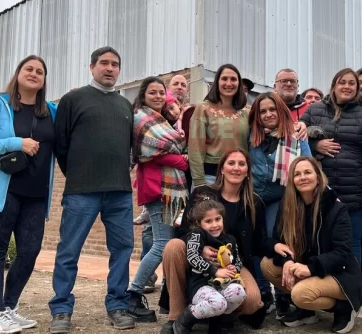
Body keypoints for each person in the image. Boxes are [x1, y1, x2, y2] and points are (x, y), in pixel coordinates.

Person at [49, 47, 140, 333]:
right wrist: (77, 174)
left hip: (120, 192)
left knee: (122, 250)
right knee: (69, 251)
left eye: (115, 64)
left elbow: (128, 147)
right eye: (104, 63)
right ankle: (61, 309)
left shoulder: (126, 106)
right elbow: (60, 145)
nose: (110, 68)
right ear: (91, 67)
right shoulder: (72, 99)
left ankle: (117, 305)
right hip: (81, 191)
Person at [0, 55, 58, 333]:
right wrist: (16, 142)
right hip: (1, 191)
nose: (34, 74)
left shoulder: (51, 111)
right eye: (28, 69)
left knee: (30, 252)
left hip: (35, 194)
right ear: (18, 73)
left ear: (44, 80)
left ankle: (8, 307)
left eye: (40, 71)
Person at [160, 149, 266, 333]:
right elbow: (184, 230)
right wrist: (201, 248)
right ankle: (178, 317)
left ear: (247, 171)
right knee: (173, 246)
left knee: (252, 301)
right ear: (222, 169)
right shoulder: (203, 193)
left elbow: (259, 242)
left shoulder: (254, 202)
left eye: (242, 164)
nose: (236, 168)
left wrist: (277, 246)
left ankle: (218, 316)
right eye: (231, 163)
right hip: (197, 258)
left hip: (232, 261)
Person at [261, 157, 362, 333]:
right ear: (292, 181)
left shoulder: (336, 208)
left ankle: (345, 306)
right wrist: (286, 259)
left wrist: (311, 268)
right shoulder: (288, 206)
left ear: (318, 177)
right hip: (308, 269)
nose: (302, 177)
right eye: (297, 174)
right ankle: (307, 312)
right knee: (267, 265)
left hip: (340, 274)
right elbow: (277, 240)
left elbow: (343, 252)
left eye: (307, 172)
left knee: (300, 294)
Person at [301, 68, 362, 265]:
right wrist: (315, 145)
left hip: (355, 188)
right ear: (333, 86)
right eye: (342, 82)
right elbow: (296, 137)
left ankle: (350, 290)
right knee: (320, 239)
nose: (347, 87)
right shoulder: (314, 110)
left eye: (351, 83)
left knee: (353, 241)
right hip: (321, 187)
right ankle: (324, 288)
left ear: (357, 89)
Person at [126, 77, 189, 317]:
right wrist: (181, 160)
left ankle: (153, 295)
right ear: (143, 95)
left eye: (161, 93)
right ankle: (133, 294)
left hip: (173, 190)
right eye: (152, 92)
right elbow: (146, 153)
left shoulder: (164, 120)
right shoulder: (142, 118)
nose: (158, 96)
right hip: (159, 189)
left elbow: (166, 148)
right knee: (162, 244)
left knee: (168, 242)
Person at [248, 91, 311, 317]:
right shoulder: (251, 137)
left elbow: (307, 164)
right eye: (263, 111)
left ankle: (283, 294)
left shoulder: (296, 136)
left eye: (272, 109)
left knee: (280, 243)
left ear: (281, 111)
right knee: (256, 245)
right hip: (254, 197)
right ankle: (263, 295)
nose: (267, 114)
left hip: (283, 198)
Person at [173, 196, 247, 333]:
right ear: (199, 223)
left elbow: (237, 261)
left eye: (218, 219)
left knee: (239, 292)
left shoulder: (230, 239)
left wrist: (232, 268)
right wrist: (215, 271)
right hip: (201, 285)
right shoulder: (197, 235)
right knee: (218, 302)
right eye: (208, 221)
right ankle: (185, 319)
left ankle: (216, 325)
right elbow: (192, 256)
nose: (214, 225)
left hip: (223, 285)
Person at [189, 64, 250, 188]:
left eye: (233, 79)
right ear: (217, 82)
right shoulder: (203, 109)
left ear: (239, 83)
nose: (229, 83)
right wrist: (200, 183)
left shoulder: (247, 113)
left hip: (239, 178)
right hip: (210, 178)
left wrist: (300, 125)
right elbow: (195, 149)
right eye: (224, 79)